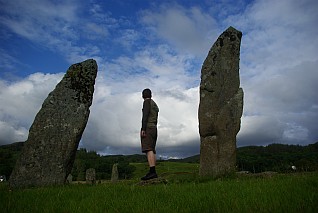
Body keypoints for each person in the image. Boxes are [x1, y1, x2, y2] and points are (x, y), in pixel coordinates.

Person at [140, 88, 159, 180]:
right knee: (152, 149)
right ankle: (153, 171)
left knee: (148, 149)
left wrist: (143, 129)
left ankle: (152, 172)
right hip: (154, 128)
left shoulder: (146, 102)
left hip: (148, 127)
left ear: (143, 95)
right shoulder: (154, 104)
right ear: (151, 95)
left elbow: (145, 115)